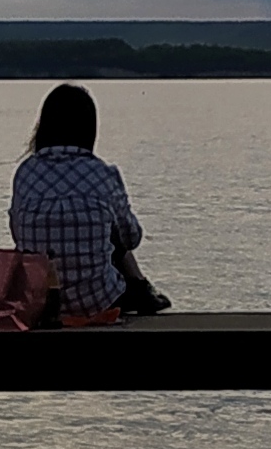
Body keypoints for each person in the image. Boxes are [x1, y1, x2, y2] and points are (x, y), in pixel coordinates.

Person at [9, 83, 171, 317]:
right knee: (115, 235)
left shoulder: (25, 173)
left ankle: (141, 286)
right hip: (99, 300)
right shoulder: (103, 174)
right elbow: (131, 237)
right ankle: (142, 286)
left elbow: (18, 234)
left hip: (39, 302)